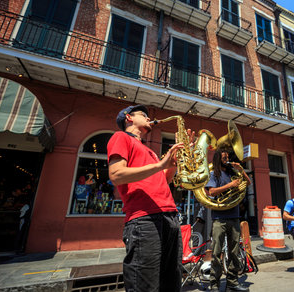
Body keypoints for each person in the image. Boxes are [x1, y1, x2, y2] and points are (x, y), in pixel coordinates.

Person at [107, 104, 189, 292]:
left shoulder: (150, 151)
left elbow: (164, 180)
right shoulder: (120, 137)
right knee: (145, 286)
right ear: (129, 118)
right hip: (144, 219)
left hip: (170, 217)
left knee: (170, 283)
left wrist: (173, 162)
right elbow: (116, 174)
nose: (149, 118)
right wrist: (161, 165)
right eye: (143, 114)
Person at [205, 149, 251, 292]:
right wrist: (230, 186)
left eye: (228, 157)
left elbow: (248, 183)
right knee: (217, 252)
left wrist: (241, 170)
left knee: (235, 252)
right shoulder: (214, 174)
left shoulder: (233, 173)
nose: (227, 159)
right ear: (218, 158)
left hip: (234, 216)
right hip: (219, 218)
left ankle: (232, 281)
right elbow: (211, 192)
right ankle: (214, 284)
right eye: (224, 157)